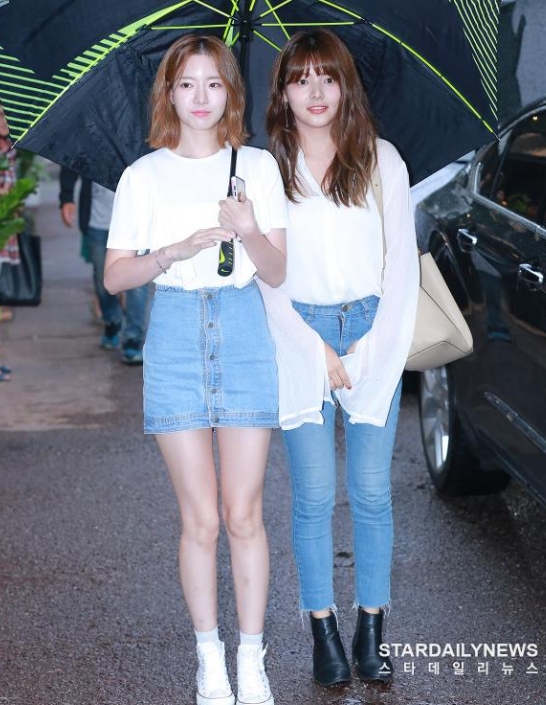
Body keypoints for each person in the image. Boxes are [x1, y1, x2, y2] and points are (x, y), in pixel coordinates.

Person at [103, 34, 288, 705]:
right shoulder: (143, 176)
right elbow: (116, 276)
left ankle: (251, 659)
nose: (201, 96)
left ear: (230, 90)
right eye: (187, 83)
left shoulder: (256, 168)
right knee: (201, 518)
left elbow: (277, 271)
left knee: (244, 513)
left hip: (242, 329)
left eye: (213, 82)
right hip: (176, 332)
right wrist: (173, 250)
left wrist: (249, 228)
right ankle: (209, 658)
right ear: (170, 94)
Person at [262, 29, 419, 686]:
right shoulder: (264, 168)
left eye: (327, 76)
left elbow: (401, 266)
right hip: (296, 333)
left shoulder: (382, 160)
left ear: (346, 84)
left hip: (371, 328)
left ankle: (370, 628)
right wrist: (316, 346)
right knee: (314, 495)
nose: (316, 91)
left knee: (372, 491)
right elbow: (265, 277)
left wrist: (369, 347)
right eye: (301, 79)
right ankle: (322, 630)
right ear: (283, 93)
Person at [59, 168, 149, 363]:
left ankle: (133, 338)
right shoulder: (95, 147)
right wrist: (66, 198)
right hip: (98, 223)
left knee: (137, 284)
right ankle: (112, 321)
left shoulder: (144, 151)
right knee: (104, 281)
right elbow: (72, 162)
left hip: (137, 226)